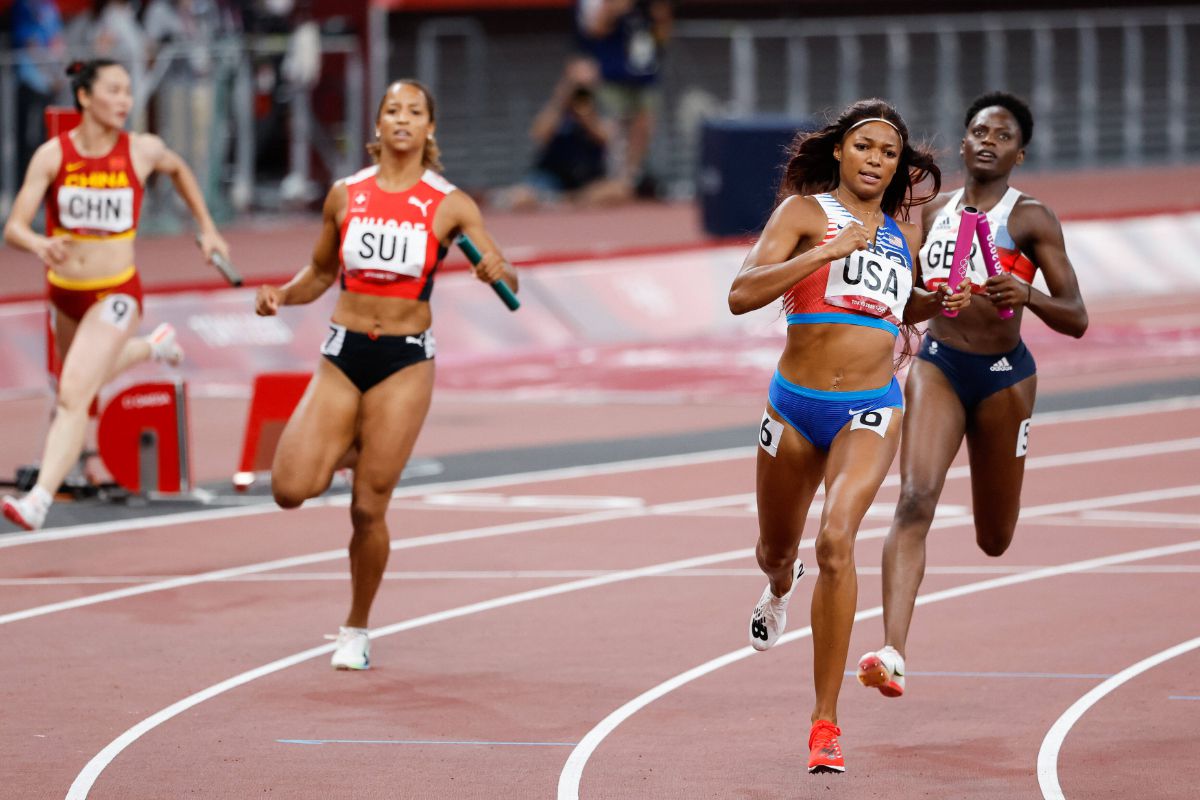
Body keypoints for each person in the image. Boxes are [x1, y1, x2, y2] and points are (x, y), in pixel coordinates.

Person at [727, 99, 969, 774]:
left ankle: (825, 724)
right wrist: (828, 251)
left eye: (888, 154)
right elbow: (741, 294)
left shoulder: (903, 235)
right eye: (865, 146)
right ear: (839, 150)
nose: (875, 160)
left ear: (897, 168)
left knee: (836, 540)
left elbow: (900, 307)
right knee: (776, 550)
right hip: (794, 407)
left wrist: (937, 302)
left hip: (870, 408)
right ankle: (779, 587)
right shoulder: (803, 214)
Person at [254, 80, 517, 671]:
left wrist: (499, 270)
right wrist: (282, 295)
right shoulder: (346, 194)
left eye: (414, 112)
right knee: (289, 488)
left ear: (430, 128)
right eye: (392, 110)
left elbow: (509, 279)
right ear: (377, 126)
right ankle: (354, 442)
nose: (402, 119)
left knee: (368, 509)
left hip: (404, 362)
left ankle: (355, 627)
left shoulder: (450, 204)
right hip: (342, 352)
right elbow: (320, 273)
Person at [857, 92, 1088, 699]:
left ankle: (993, 524)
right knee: (914, 500)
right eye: (980, 132)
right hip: (940, 366)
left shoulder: (1031, 218)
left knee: (994, 537)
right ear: (963, 142)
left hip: (1005, 378)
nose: (989, 142)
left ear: (1019, 153)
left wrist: (1027, 294)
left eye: (1003, 136)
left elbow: (1077, 317)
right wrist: (935, 299)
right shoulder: (934, 212)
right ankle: (893, 652)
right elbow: (905, 301)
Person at [1, 58, 230, 531]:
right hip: (66, 294)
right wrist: (40, 243)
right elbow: (14, 228)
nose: (125, 100)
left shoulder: (142, 150)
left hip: (116, 293)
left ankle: (38, 500)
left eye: (128, 91)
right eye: (114, 90)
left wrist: (208, 229)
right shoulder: (53, 155)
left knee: (72, 393)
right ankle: (153, 347)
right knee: (78, 389)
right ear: (85, 97)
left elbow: (179, 169)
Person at [495, 57, 627, 212]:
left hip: (588, 181)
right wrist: (561, 99)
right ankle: (556, 200)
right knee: (522, 198)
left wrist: (586, 114)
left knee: (617, 191)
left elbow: (605, 137)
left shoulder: (603, 108)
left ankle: (565, 201)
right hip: (551, 178)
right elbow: (538, 134)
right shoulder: (557, 108)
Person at [575, 0, 672, 196]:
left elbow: (662, 35)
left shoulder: (648, 8)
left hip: (643, 74)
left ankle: (631, 177)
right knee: (614, 127)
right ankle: (613, 178)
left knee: (644, 123)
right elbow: (594, 29)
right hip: (613, 76)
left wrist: (660, 17)